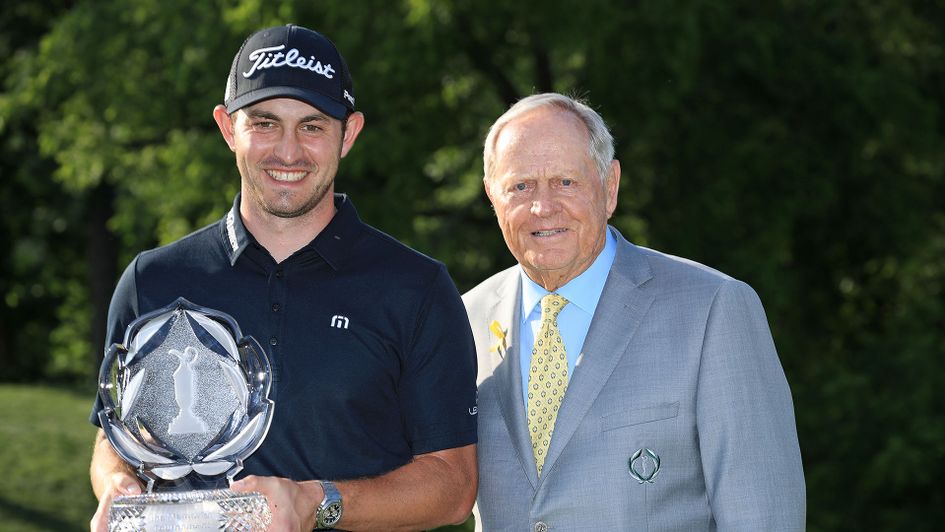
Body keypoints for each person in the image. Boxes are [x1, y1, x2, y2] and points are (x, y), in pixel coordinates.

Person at [89, 24, 478, 531]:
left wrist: (317, 503)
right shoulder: (153, 280)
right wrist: (117, 486)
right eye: (265, 123)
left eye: (312, 126)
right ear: (228, 128)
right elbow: (112, 439)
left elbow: (453, 486)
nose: (288, 152)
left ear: (349, 134)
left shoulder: (416, 290)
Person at [463, 93, 805, 531]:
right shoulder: (462, 321)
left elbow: (763, 519)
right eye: (520, 186)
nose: (542, 206)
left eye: (566, 182)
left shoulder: (712, 311)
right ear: (492, 195)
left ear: (609, 187)